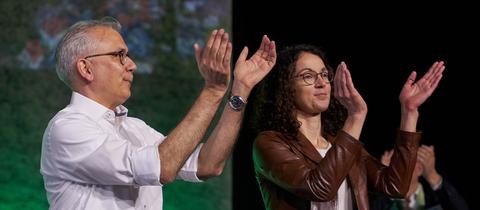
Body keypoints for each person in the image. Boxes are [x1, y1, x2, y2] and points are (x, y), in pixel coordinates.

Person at [40, 17, 276, 210]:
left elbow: (207, 164)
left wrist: (240, 90)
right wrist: (212, 91)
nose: (132, 65)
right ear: (86, 68)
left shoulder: (134, 128)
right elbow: (163, 166)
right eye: (119, 55)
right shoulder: (68, 128)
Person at [251, 44, 445, 210]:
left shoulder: (341, 143)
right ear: (285, 87)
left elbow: (395, 186)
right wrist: (356, 117)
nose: (321, 83)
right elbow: (320, 188)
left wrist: (409, 112)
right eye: (307, 76)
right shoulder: (269, 143)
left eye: (324, 75)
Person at [369, 145, 470, 210]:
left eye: (404, 162)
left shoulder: (436, 200)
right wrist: (386, 187)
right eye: (394, 161)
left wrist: (432, 176)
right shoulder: (380, 202)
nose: (396, 167)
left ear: (419, 168)